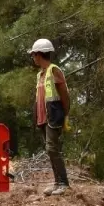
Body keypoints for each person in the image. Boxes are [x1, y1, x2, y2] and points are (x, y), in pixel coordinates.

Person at [30, 39, 70, 196]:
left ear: (39, 54)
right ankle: (56, 183)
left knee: (52, 148)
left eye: (34, 54)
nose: (33, 58)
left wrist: (65, 115)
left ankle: (63, 183)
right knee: (50, 150)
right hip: (43, 117)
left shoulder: (54, 70)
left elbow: (65, 95)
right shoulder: (40, 74)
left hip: (53, 116)